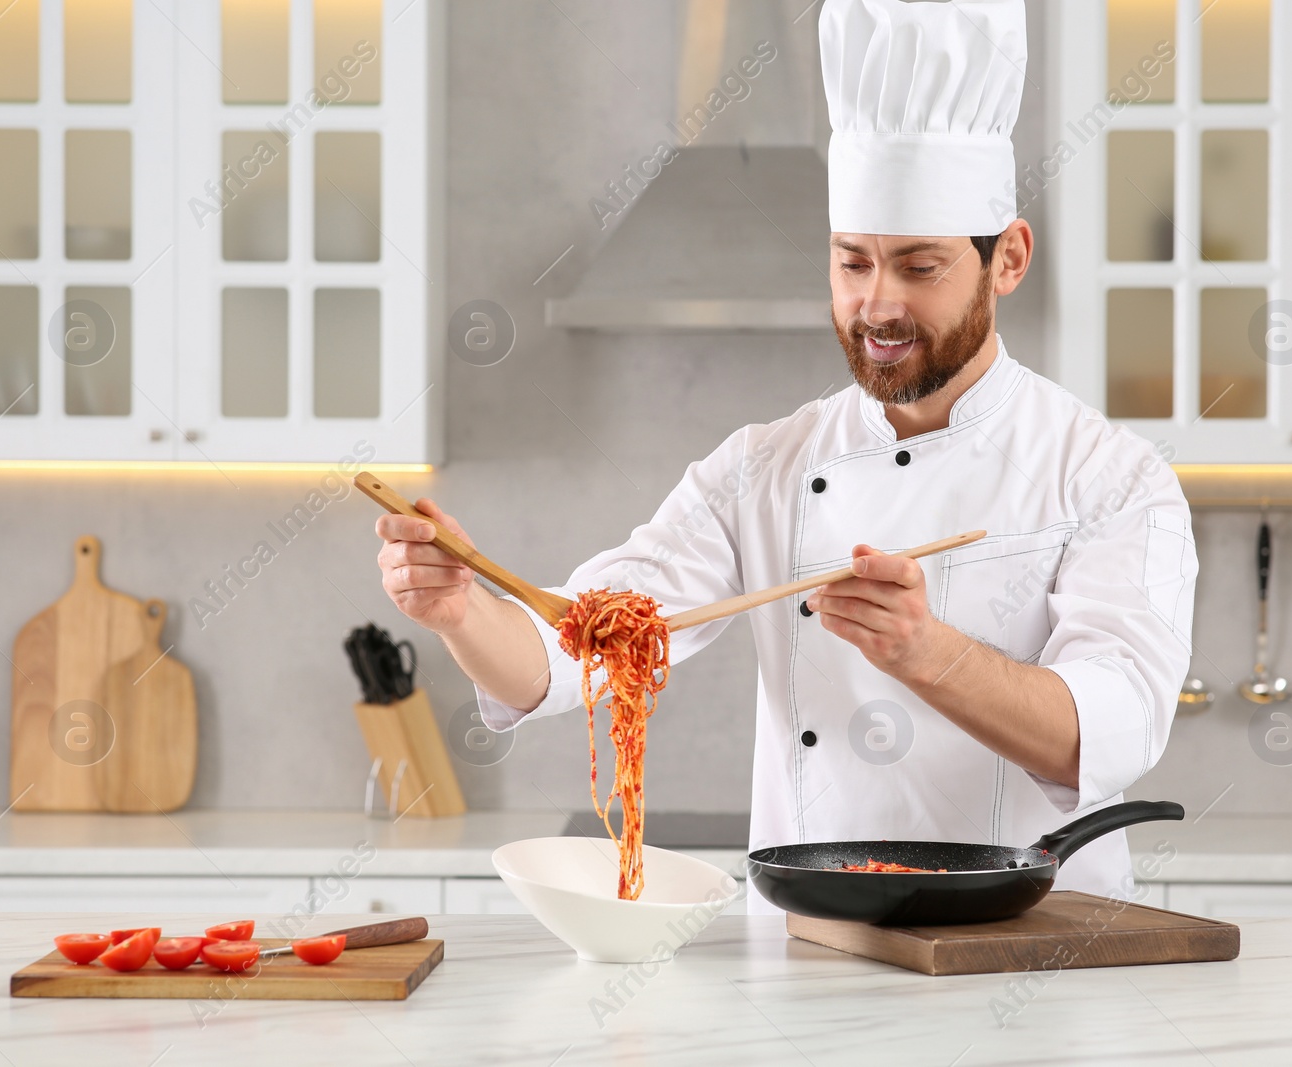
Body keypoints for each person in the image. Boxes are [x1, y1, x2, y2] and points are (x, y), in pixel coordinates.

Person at [376, 0, 1196, 906]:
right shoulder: (761, 468)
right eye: (852, 262)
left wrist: (927, 651)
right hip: (821, 951)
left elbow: (1112, 728)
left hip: (1033, 964)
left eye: (919, 268)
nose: (876, 304)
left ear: (1008, 258)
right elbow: (579, 649)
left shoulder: (1113, 477)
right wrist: (460, 608)